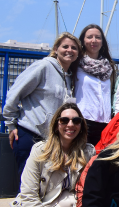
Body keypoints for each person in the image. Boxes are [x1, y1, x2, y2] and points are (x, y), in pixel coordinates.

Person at [10, 103, 95, 207]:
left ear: (81, 126)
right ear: (56, 124)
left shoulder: (88, 151)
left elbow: (89, 191)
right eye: (64, 120)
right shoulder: (40, 151)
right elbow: (28, 193)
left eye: (76, 121)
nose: (70, 124)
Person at [3, 32, 82, 181]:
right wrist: (11, 124)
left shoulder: (69, 77)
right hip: (31, 134)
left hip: (52, 140)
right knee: (28, 185)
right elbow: (14, 93)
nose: (69, 50)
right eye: (65, 46)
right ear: (56, 49)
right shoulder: (43, 66)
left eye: (74, 48)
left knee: (46, 185)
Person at [76, 24, 116, 146]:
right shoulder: (76, 64)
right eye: (89, 37)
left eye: (98, 37)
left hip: (105, 122)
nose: (94, 40)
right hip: (83, 120)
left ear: (102, 42)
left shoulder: (110, 66)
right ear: (83, 41)